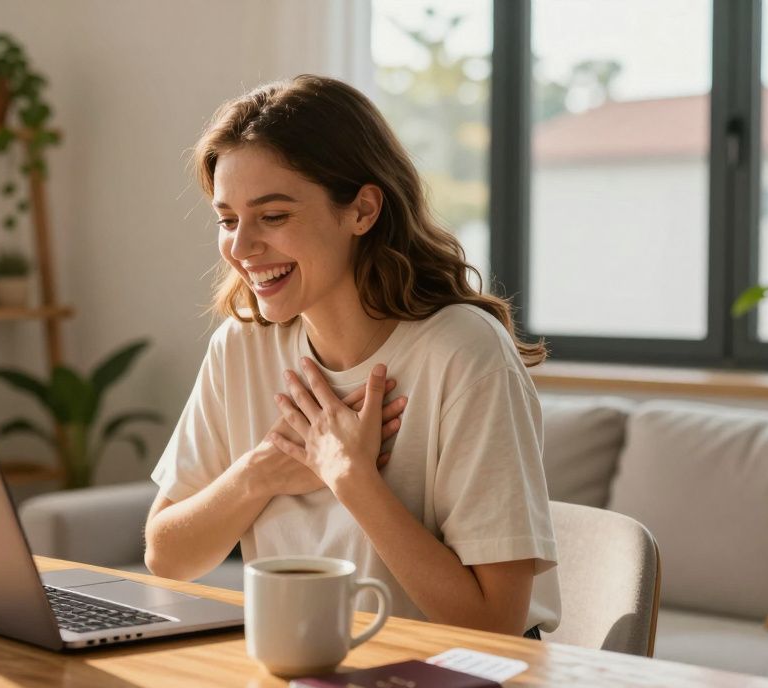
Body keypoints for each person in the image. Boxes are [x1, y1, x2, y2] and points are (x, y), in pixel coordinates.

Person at [145, 75, 560, 638]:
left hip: (461, 683)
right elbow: (166, 556)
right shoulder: (240, 346)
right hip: (308, 665)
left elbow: (494, 622)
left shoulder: (464, 352)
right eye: (227, 219)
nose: (241, 248)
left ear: (362, 210)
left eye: (272, 216)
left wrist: (349, 476)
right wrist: (260, 473)